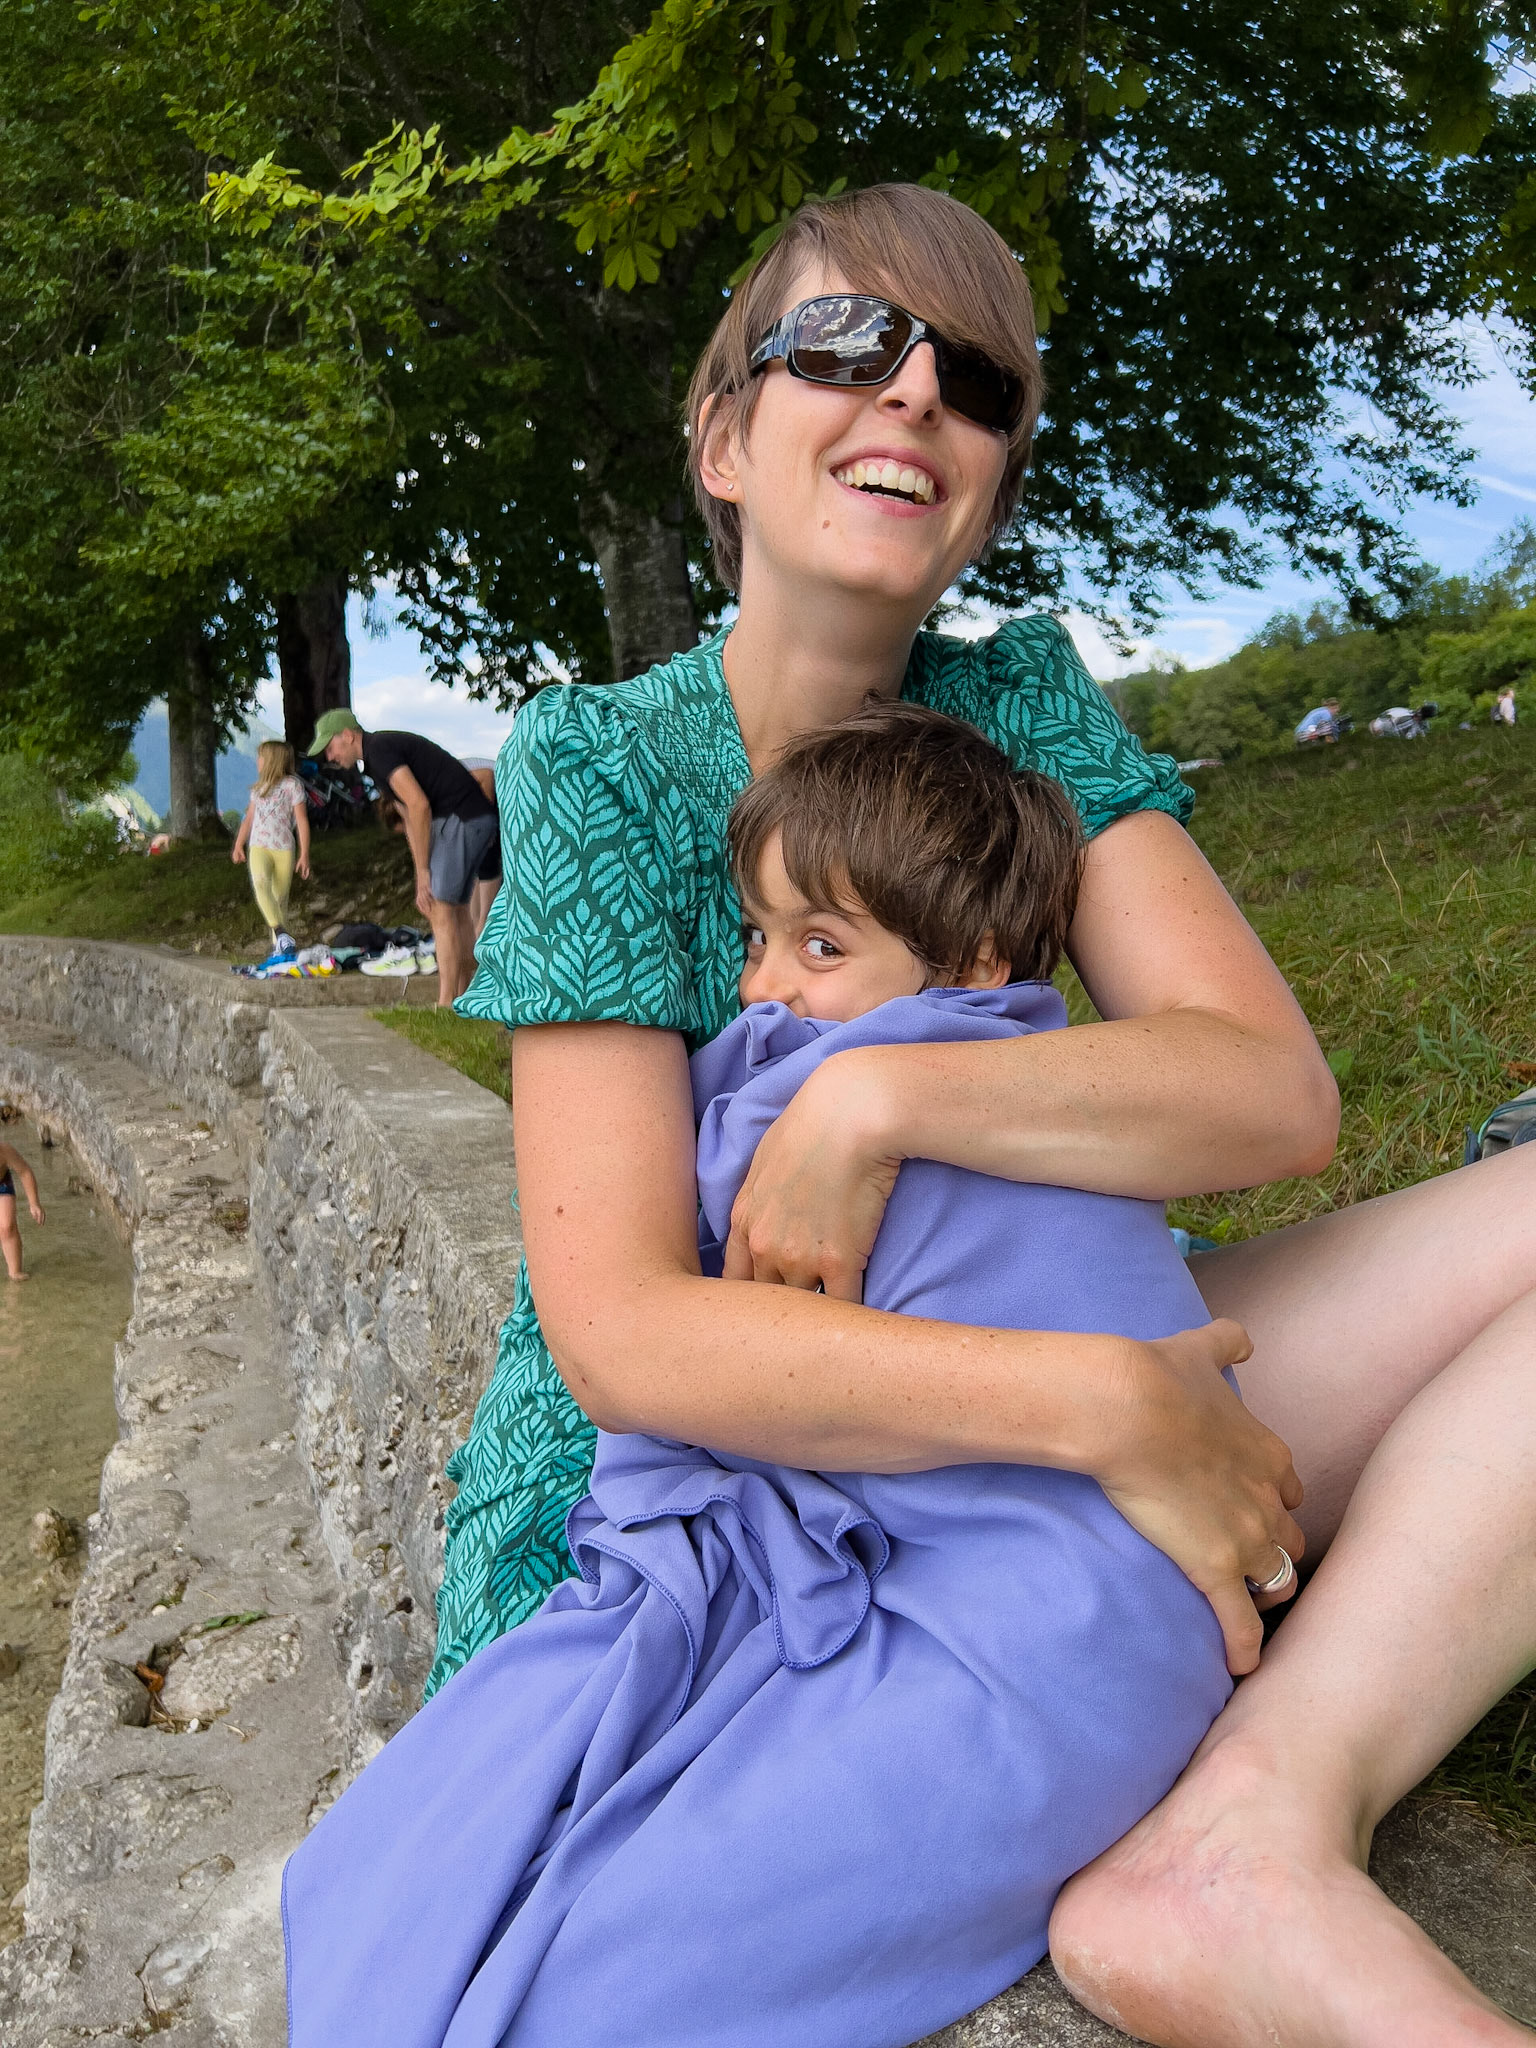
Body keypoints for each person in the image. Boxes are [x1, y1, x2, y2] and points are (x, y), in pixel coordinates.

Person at [444, 184, 1536, 2047]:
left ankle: (1261, 1823)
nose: (913, 397)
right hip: (737, 1502)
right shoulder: (597, 763)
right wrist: (1104, 1400)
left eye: (977, 383)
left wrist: (873, 1094)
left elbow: (1266, 1089)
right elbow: (625, 1333)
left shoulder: (1020, 701)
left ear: (993, 478)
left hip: (1010, 1391)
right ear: (722, 434)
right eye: (845, 345)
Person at [283, 703, 1260, 2047]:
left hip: (1048, 1619)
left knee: (596, 1944)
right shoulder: (1037, 1086)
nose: (760, 990)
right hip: (1097, 1580)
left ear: (974, 964)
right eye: (757, 941)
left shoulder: (841, 1084)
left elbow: (724, 1350)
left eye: (820, 945)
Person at [308, 711, 497, 1005]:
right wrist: (420, 871)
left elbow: (419, 805)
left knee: (441, 908)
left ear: (348, 734)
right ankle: (466, 997)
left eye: (330, 747)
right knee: (455, 911)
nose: (329, 756)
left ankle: (448, 1004)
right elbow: (409, 816)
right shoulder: (374, 761)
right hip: (468, 819)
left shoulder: (380, 750)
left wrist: (425, 872)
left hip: (464, 817)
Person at [230, 739, 311, 955]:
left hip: (284, 849)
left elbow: (302, 820)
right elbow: (248, 819)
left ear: (272, 761)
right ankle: (281, 932)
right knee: (261, 885)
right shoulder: (259, 789)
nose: (257, 761)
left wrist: (305, 854)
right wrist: (239, 844)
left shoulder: (292, 785)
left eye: (261, 757)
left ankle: (280, 947)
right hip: (259, 847)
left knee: (279, 898)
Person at [462, 759, 503, 940]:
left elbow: (486, 775)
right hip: (486, 798)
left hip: (500, 787)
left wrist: (486, 823)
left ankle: (485, 930)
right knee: (474, 867)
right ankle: (476, 932)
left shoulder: (434, 785)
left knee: (487, 861)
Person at [0, 1139, 45, 1280]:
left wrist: (34, 1203)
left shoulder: (5, 1150)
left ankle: (15, 1271)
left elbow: (24, 1172)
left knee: (7, 1227)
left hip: (2, 1184)